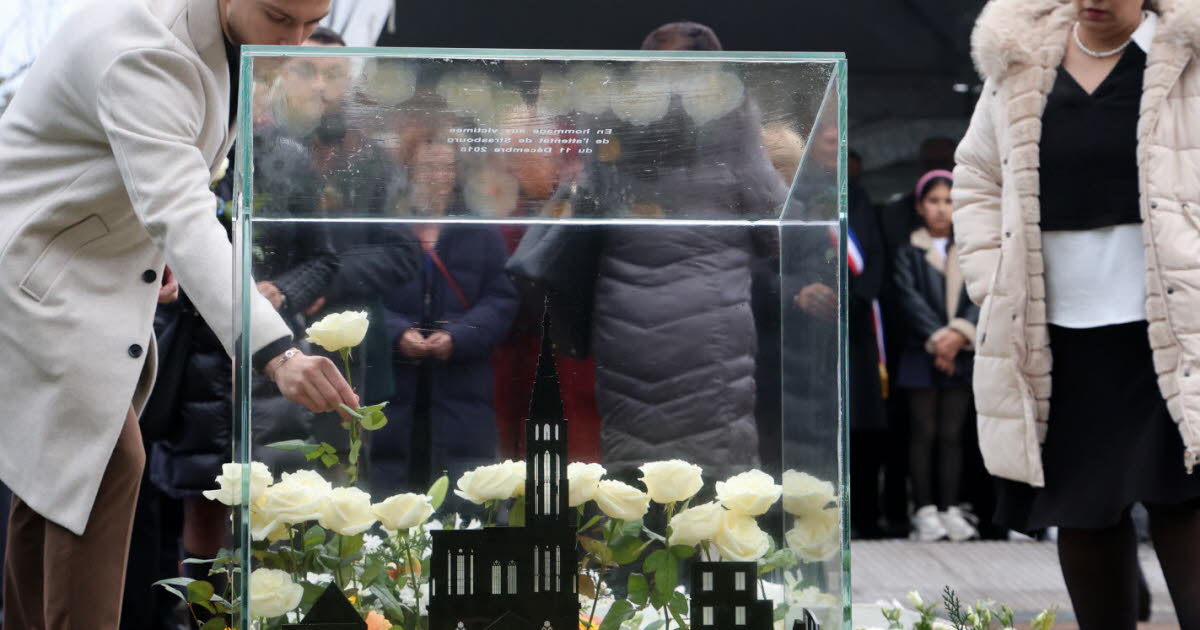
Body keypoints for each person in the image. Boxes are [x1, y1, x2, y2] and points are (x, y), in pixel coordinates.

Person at [0, 1, 358, 628]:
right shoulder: (145, 46)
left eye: (313, 20)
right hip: (37, 275)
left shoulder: (213, 32)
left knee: (55, 484)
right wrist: (277, 352)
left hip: (74, 267)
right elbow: (183, 209)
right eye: (280, 17)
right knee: (104, 466)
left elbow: (165, 176)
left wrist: (154, 246)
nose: (296, 40)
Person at [956, 0, 1200, 626]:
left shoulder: (1184, 56)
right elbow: (977, 175)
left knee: (1184, 499)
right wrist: (990, 276)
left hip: (1174, 331)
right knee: (1084, 509)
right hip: (1055, 338)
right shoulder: (1020, 65)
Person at [372, 139, 519, 502]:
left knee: (461, 491)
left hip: (462, 382)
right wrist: (396, 332)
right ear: (409, 172)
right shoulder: (385, 225)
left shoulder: (478, 228)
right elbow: (361, 295)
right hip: (393, 381)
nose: (438, 177)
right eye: (428, 168)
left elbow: (502, 297)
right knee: (390, 492)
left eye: (446, 168)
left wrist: (459, 336)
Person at [892, 171, 979, 542]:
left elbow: (980, 294)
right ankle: (925, 511)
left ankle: (950, 508)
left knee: (951, 434)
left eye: (949, 201)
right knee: (923, 432)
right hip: (921, 353)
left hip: (960, 352)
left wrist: (958, 335)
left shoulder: (973, 250)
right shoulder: (908, 249)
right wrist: (938, 338)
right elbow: (908, 298)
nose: (942, 209)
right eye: (934, 201)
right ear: (919, 206)